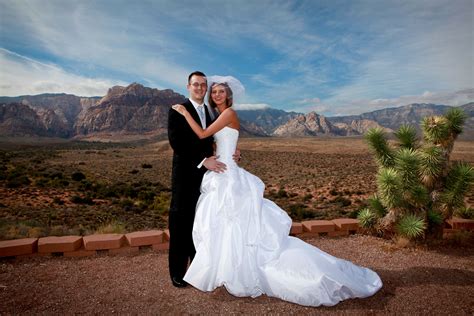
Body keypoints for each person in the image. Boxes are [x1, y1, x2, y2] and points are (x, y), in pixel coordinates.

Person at [171, 75, 383, 307]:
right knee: (221, 223)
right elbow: (209, 141)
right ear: (192, 88)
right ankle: (222, 268)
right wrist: (230, 150)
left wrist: (185, 113)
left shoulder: (227, 113)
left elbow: (202, 134)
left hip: (226, 174)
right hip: (219, 170)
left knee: (233, 222)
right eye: (214, 91)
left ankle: (237, 269)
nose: (215, 94)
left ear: (228, 96)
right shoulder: (217, 115)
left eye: (220, 91)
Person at [167, 71, 227, 288]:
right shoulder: (177, 111)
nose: (200, 88)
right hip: (185, 175)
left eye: (203, 85)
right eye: (196, 85)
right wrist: (203, 161)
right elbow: (177, 143)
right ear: (188, 86)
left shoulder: (211, 112)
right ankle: (177, 272)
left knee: (201, 222)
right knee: (180, 222)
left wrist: (231, 153)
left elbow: (214, 140)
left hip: (208, 178)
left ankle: (198, 268)